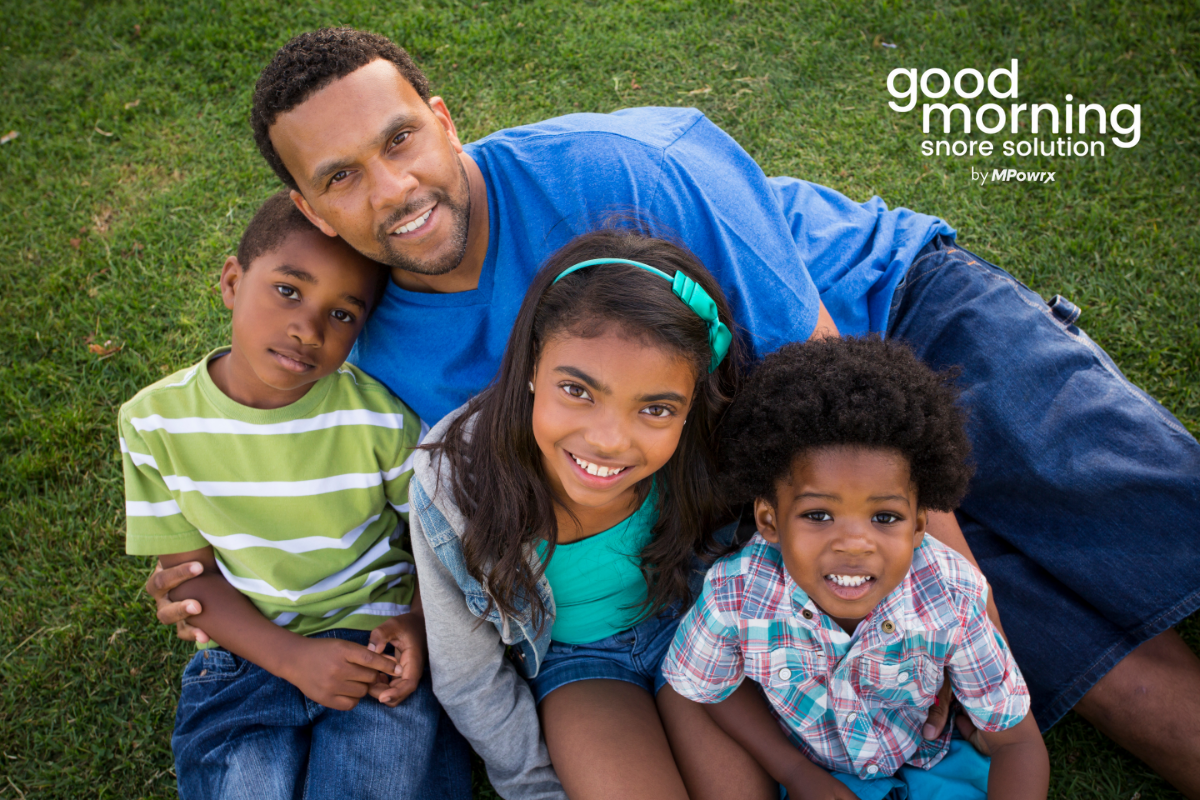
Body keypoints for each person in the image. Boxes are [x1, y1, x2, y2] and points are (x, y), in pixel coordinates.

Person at [149, 26, 1200, 794]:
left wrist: (941, 554)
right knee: (1112, 689)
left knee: (1145, 504)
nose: (392, 189)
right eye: (341, 177)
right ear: (306, 206)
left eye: (398, 141)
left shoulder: (619, 173)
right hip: (743, 464)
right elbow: (301, 449)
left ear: (441, 119)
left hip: (886, 315)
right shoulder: (355, 332)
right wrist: (200, 564)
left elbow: (815, 357)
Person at [409, 227, 782, 800]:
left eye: (655, 409)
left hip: (696, 625)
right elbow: (469, 679)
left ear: (689, 408)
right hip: (583, 666)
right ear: (533, 363)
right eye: (578, 391)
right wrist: (538, 786)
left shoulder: (710, 449)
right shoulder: (452, 485)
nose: (608, 441)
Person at [120, 192, 470, 800]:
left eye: (342, 315)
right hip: (246, 651)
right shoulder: (154, 423)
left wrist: (415, 623)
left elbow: (429, 542)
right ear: (232, 281)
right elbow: (188, 576)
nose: (307, 328)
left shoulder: (382, 422)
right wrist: (289, 658)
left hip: (373, 645)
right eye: (288, 290)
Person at [664, 336, 1050, 800]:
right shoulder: (736, 595)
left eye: (884, 517)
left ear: (919, 526)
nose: (853, 544)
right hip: (811, 773)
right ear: (769, 519)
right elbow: (709, 684)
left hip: (931, 763)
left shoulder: (954, 596)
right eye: (818, 515)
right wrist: (795, 773)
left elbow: (1018, 743)